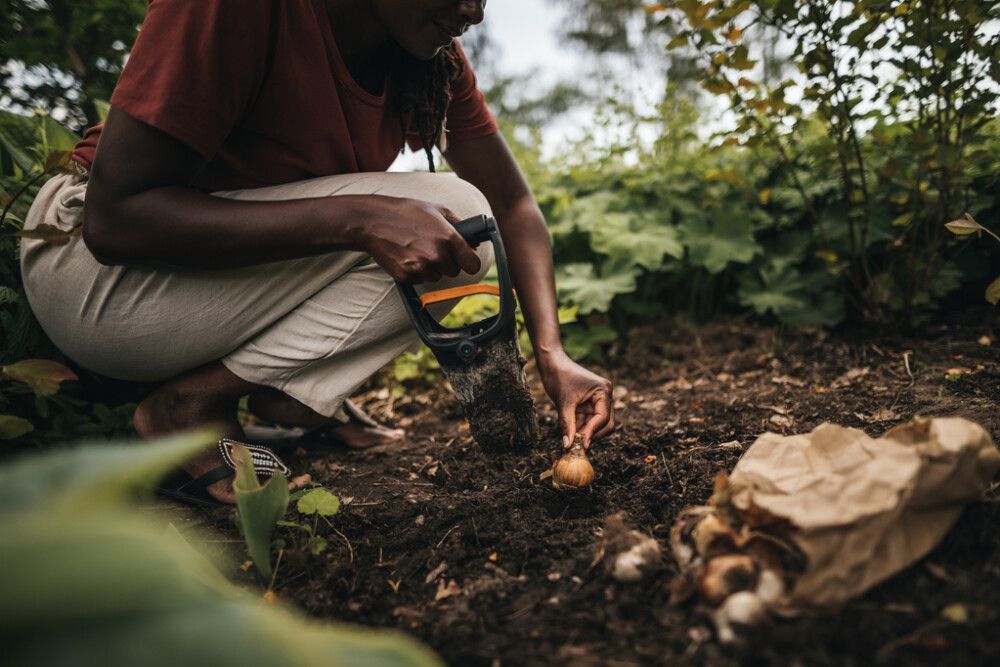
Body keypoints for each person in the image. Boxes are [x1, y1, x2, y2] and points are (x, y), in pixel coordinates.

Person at [19, 0, 616, 505]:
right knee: (451, 208)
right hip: (93, 275)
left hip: (201, 278)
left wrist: (552, 354)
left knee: (463, 226)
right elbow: (115, 219)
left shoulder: (428, 60)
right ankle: (189, 409)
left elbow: (513, 207)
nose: (474, 11)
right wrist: (358, 219)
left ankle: (282, 394)